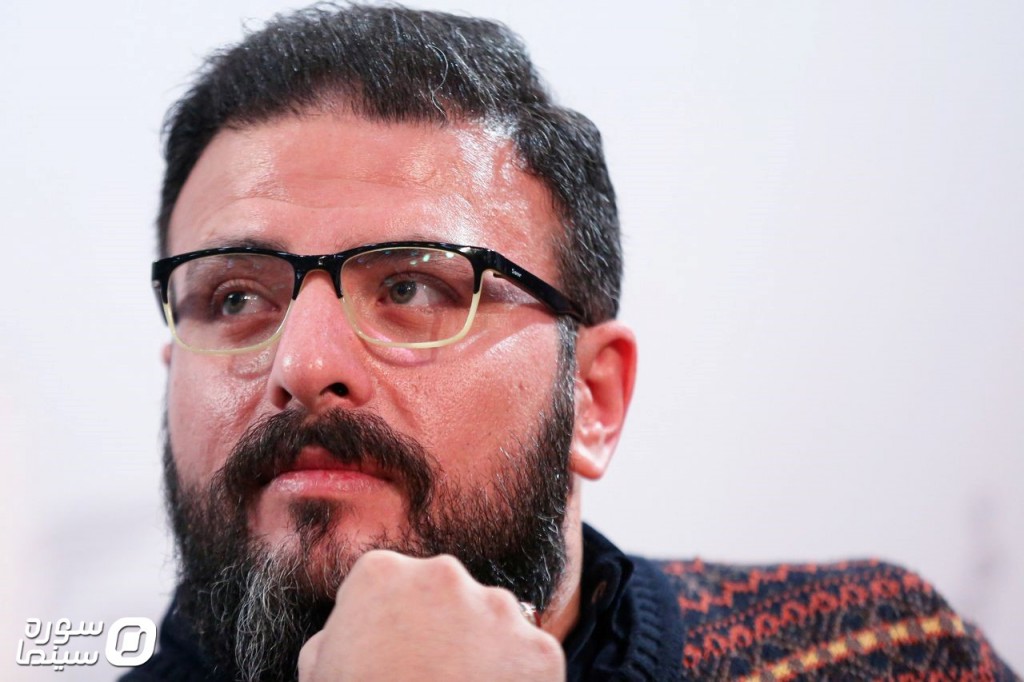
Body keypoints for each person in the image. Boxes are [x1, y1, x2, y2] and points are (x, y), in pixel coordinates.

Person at [128, 4, 1019, 681]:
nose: (304, 363)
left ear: (593, 398)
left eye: (412, 288)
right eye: (236, 297)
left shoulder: (882, 648)